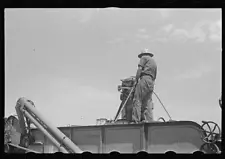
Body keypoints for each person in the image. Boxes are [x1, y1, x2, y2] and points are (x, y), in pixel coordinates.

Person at [132, 49, 157, 123]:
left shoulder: (144, 58)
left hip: (144, 79)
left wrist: (136, 79)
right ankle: (149, 120)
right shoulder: (153, 62)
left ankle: (136, 120)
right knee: (148, 101)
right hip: (151, 82)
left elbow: (139, 69)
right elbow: (155, 76)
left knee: (137, 99)